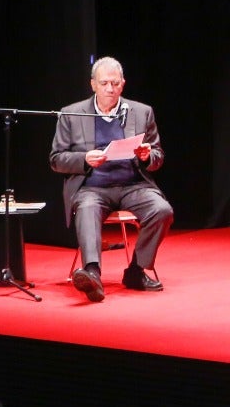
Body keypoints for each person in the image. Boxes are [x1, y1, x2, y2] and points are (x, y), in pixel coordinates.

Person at [49, 56, 174, 301]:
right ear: (93, 84)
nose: (110, 89)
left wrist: (148, 155)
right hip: (92, 188)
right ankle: (93, 274)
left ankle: (136, 270)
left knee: (162, 210)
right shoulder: (71, 114)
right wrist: (85, 159)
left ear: (123, 84)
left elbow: (158, 156)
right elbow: (56, 159)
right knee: (86, 208)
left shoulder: (141, 112)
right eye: (104, 83)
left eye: (115, 84)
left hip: (133, 185)